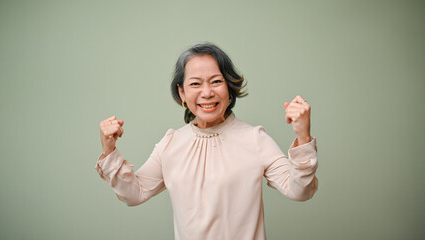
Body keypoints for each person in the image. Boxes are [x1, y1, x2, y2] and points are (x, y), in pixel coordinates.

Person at [95, 43, 318, 240]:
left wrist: (303, 136)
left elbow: (300, 191)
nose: (207, 92)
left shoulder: (254, 139)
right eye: (195, 84)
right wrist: (109, 149)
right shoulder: (171, 143)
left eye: (216, 81)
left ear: (229, 89)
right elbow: (134, 193)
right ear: (181, 93)